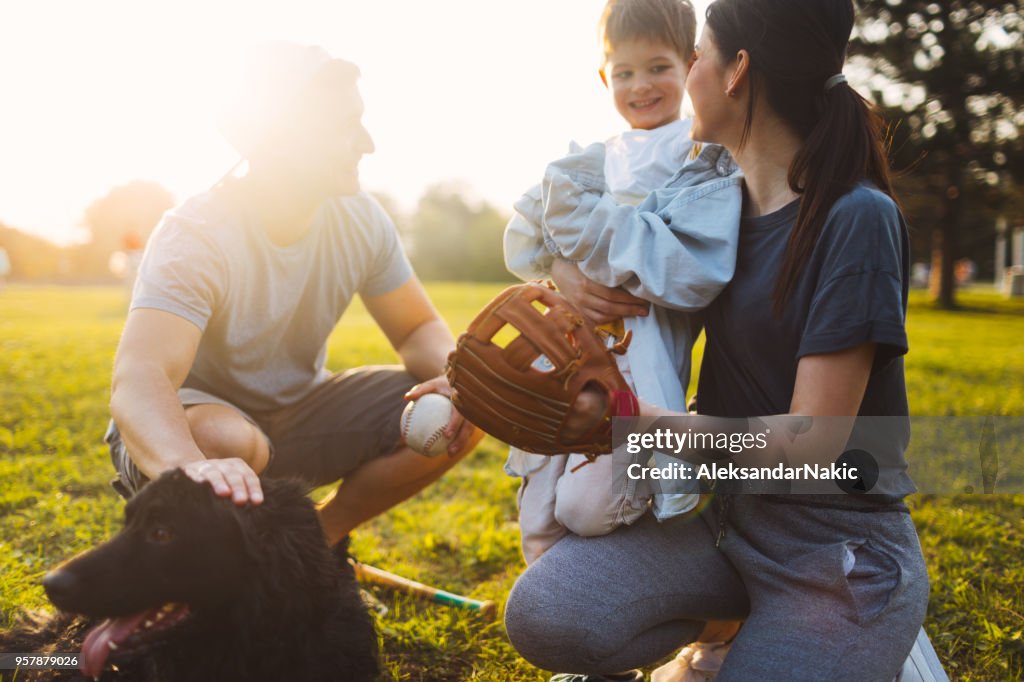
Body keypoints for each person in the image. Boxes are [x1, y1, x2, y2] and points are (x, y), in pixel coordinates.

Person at [503, 1, 932, 680]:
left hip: (833, 550)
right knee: (545, 615)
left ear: (736, 71)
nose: (684, 73)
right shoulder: (709, 215)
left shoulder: (856, 218)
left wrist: (637, 427)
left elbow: (811, 444)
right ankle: (734, 624)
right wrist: (565, 273)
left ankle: (863, 634)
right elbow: (614, 244)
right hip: (726, 526)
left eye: (695, 54)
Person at [105, 42, 480, 551]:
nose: (366, 143)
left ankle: (316, 540)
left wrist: (456, 381)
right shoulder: (195, 234)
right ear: (281, 139)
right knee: (228, 442)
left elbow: (416, 330)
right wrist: (191, 468)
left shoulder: (360, 219)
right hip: (195, 434)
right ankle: (220, 542)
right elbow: (140, 378)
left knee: (468, 401)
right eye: (347, 125)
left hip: (297, 416)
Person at [504, 0, 742, 565]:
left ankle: (672, 564)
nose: (641, 86)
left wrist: (584, 239)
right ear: (604, 76)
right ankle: (573, 643)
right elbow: (522, 237)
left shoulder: (700, 153)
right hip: (565, 362)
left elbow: (688, 274)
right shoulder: (592, 159)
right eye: (625, 72)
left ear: (691, 65)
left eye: (658, 67)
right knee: (538, 512)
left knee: (582, 509)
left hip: (639, 379)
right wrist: (560, 269)